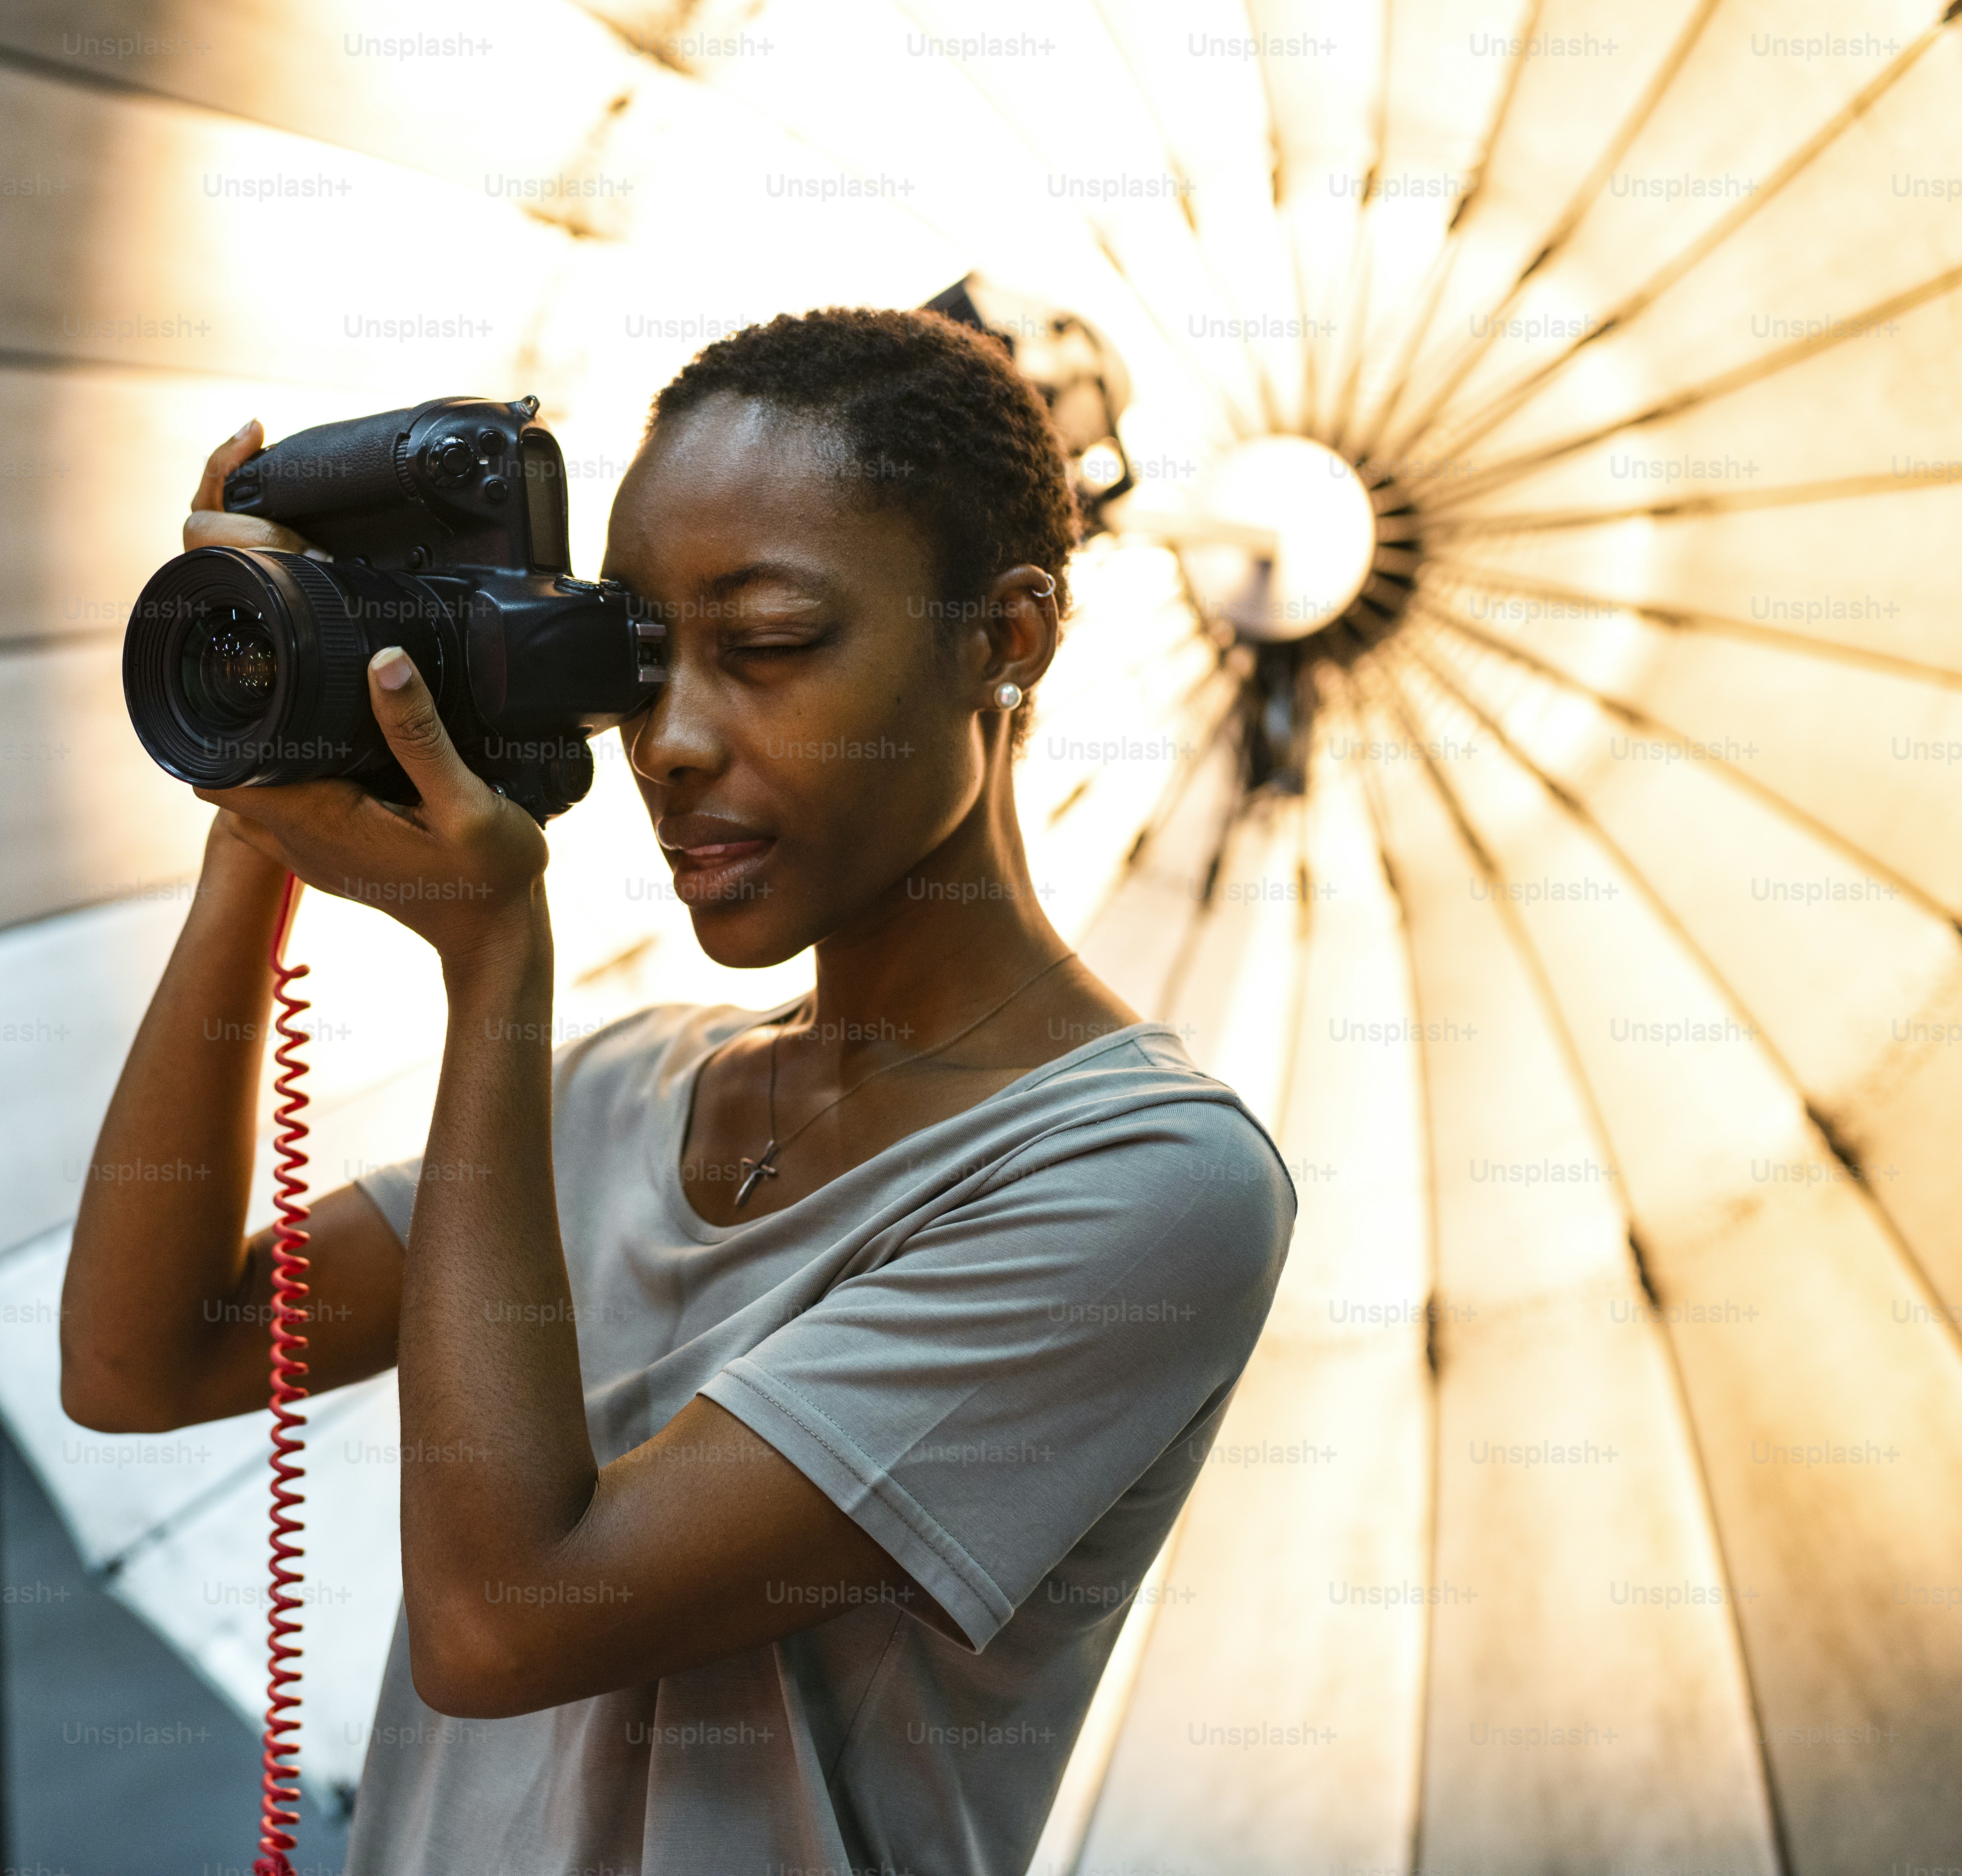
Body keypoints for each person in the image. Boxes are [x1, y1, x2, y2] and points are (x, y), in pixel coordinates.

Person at [63, 308, 1298, 1874]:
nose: (674, 742)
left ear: (1008, 638)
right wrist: (261, 799)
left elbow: (502, 1622)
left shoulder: (1143, 1184)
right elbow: (136, 1355)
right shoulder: (618, 1096)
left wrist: (491, 968)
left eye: (770, 647)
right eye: (636, 659)